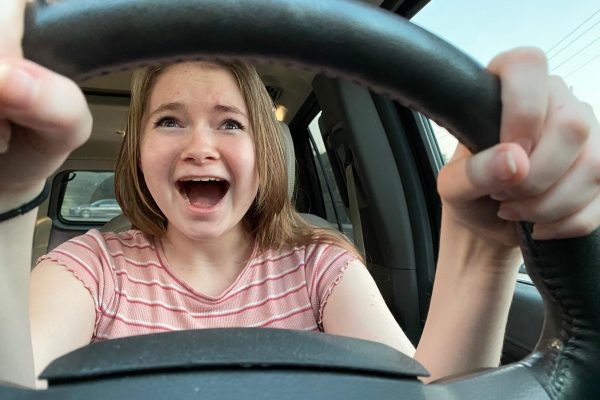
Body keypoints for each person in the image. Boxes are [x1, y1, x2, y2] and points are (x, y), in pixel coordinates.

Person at [1, 0, 599, 390]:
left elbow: (423, 392)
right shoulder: (92, 266)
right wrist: (11, 191)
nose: (200, 147)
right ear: (137, 153)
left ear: (264, 152)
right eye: (169, 121)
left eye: (230, 123)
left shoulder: (319, 262)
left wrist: (482, 247)